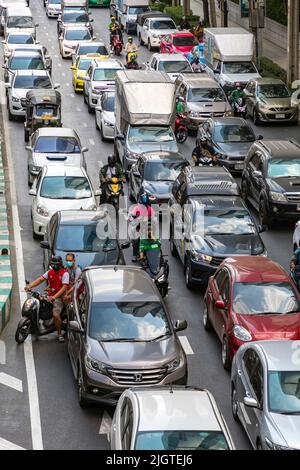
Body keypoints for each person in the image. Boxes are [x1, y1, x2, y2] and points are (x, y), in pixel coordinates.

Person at [25, 256, 69, 343]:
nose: (54, 266)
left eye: (55, 265)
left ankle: (59, 334)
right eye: (53, 264)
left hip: (58, 298)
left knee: (56, 315)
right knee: (37, 304)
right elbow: (40, 279)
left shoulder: (65, 273)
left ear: (59, 265)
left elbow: (64, 287)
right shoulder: (50, 272)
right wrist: (29, 286)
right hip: (49, 295)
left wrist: (54, 297)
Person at [128, 192, 155, 262]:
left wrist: (153, 220)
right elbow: (131, 216)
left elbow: (154, 217)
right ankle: (134, 255)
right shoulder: (136, 208)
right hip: (138, 226)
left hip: (148, 226)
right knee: (136, 240)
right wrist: (132, 219)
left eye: (146, 205)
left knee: (154, 238)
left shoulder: (150, 209)